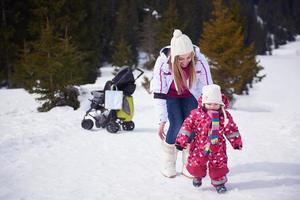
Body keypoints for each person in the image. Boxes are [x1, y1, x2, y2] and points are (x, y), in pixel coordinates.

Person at [150, 29, 213, 178]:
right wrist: (162, 120)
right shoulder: (162, 63)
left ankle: (188, 163)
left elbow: (207, 86)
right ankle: (168, 162)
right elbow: (159, 92)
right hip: (170, 96)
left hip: (191, 95)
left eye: (188, 58)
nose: (185, 62)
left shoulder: (199, 60)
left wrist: (208, 111)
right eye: (181, 59)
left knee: (190, 125)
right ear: (174, 57)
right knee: (177, 124)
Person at [175, 84, 243, 193]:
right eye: (209, 103)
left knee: (219, 165)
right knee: (197, 163)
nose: (212, 106)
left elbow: (231, 129)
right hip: (199, 145)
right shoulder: (196, 114)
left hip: (218, 146)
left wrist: (236, 142)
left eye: (216, 104)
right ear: (204, 103)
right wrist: (181, 140)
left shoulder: (224, 116)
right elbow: (186, 127)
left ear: (220, 104)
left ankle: (219, 183)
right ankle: (198, 176)